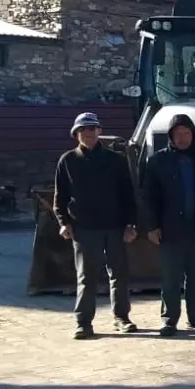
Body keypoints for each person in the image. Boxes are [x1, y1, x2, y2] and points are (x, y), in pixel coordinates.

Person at [53, 112, 139, 340]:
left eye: (92, 129)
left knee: (119, 274)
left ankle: (121, 318)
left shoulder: (116, 160)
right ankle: (83, 322)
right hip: (84, 228)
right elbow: (60, 197)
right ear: (76, 134)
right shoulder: (68, 161)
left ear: (99, 131)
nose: (88, 134)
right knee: (86, 276)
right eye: (83, 130)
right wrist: (64, 223)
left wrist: (131, 224)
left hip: (115, 226)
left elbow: (128, 195)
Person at [142, 114, 195, 336]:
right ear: (171, 136)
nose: (182, 137)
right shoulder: (158, 162)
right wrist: (152, 226)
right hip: (170, 230)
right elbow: (149, 197)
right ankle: (169, 319)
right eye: (177, 134)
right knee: (171, 278)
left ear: (193, 135)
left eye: (186, 133)